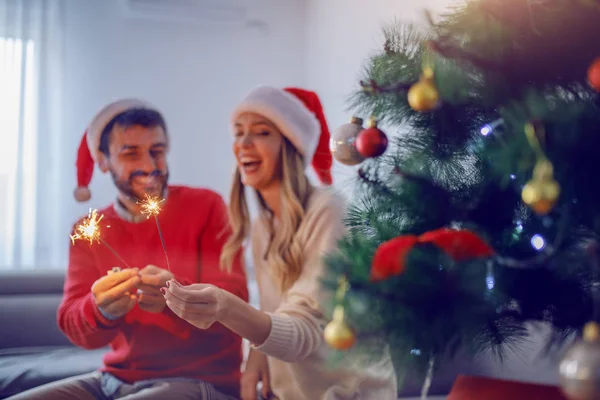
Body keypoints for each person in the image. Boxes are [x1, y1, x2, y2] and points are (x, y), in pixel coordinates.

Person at [163, 86, 397, 399]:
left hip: (350, 393)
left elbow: (307, 328)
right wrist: (257, 355)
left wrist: (228, 309)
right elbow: (280, 311)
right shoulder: (263, 228)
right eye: (238, 133)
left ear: (291, 146)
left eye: (260, 133)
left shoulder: (329, 212)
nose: (243, 144)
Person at [9, 99, 249, 400]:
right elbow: (72, 321)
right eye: (131, 153)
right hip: (113, 379)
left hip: (199, 380)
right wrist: (101, 310)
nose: (149, 166)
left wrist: (174, 295)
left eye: (157, 151)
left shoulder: (207, 207)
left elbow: (237, 302)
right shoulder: (88, 230)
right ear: (103, 160)